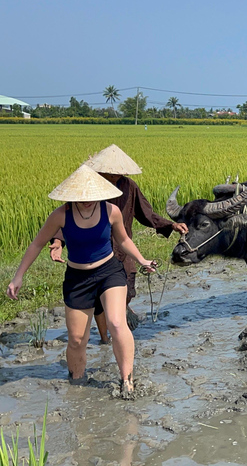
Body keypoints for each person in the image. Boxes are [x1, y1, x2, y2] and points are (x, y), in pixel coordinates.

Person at [7, 164, 156, 394]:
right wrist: (18, 277)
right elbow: (36, 244)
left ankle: (127, 380)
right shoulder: (60, 215)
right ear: (72, 195)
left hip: (109, 272)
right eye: (81, 197)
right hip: (77, 278)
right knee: (77, 339)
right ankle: (77, 383)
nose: (87, 201)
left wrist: (142, 260)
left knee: (117, 323)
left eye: (91, 196)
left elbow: (124, 240)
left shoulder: (110, 211)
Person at [49, 144, 188, 342]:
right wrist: (58, 241)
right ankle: (106, 338)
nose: (114, 178)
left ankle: (119, 321)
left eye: (117, 174)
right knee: (98, 299)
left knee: (127, 290)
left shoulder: (129, 186)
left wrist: (171, 225)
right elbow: (70, 217)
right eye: (109, 174)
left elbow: (146, 213)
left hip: (122, 250)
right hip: (95, 250)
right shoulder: (88, 188)